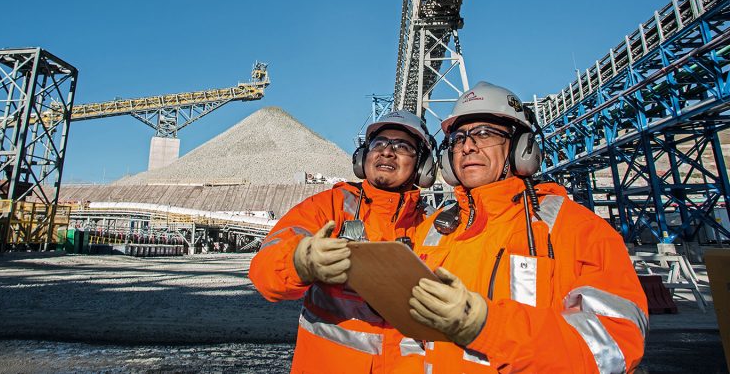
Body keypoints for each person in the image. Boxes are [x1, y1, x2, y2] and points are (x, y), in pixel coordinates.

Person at [407, 82, 648, 373]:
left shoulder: (578, 230)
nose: (468, 146)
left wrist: (489, 327)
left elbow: (613, 344)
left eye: (485, 134)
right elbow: (406, 335)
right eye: (458, 138)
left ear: (523, 148)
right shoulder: (432, 230)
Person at [249, 110, 437, 373]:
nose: (387, 152)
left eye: (402, 146)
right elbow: (264, 272)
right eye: (378, 144)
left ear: (423, 165)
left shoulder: (436, 227)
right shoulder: (329, 208)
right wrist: (299, 262)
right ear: (363, 157)